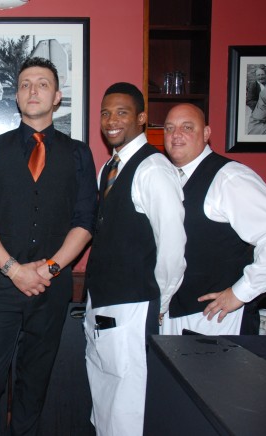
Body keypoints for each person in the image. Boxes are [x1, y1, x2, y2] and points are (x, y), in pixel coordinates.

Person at [0, 57, 97, 436]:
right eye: (25, 84)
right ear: (16, 96)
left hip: (51, 289)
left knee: (33, 386)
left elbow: (85, 222)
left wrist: (50, 269)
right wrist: (14, 270)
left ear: (56, 96)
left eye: (42, 84)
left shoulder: (79, 154)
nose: (32, 90)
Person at [84, 82, 186, 436]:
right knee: (106, 397)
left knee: (128, 404)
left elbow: (172, 244)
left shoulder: (153, 168)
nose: (111, 121)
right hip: (104, 302)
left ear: (141, 118)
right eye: (105, 113)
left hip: (135, 305)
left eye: (122, 112)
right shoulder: (108, 168)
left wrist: (161, 299)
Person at [162, 103, 266, 335]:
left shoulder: (230, 177)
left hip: (216, 321)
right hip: (174, 317)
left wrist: (240, 293)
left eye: (187, 127)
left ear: (206, 133)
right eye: (169, 128)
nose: (176, 135)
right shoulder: (167, 178)